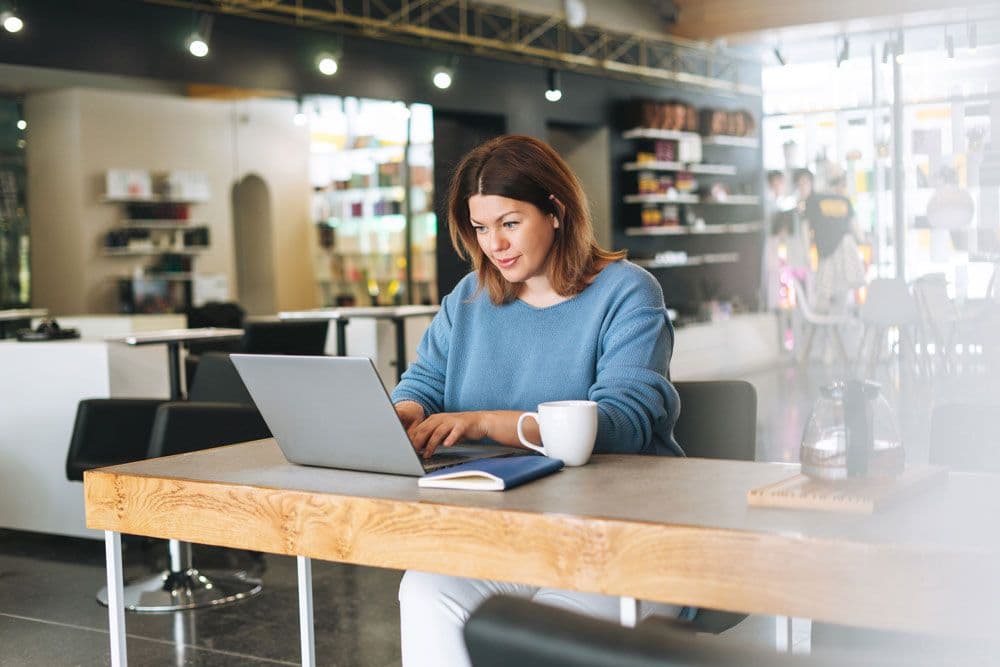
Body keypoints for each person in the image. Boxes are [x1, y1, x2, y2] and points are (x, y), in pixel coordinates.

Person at [390, 135, 684, 667]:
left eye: (509, 223)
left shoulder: (628, 293)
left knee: (549, 627)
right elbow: (427, 381)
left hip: (614, 535)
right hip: (507, 532)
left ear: (555, 211)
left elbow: (621, 423)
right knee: (425, 591)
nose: (494, 245)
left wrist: (484, 422)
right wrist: (404, 411)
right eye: (481, 228)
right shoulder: (469, 298)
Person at [800, 171, 866, 314]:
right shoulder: (843, 199)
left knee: (825, 290)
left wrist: (806, 253)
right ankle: (837, 325)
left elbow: (805, 228)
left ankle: (827, 327)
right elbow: (857, 230)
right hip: (846, 247)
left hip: (828, 250)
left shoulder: (814, 199)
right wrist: (863, 241)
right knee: (842, 291)